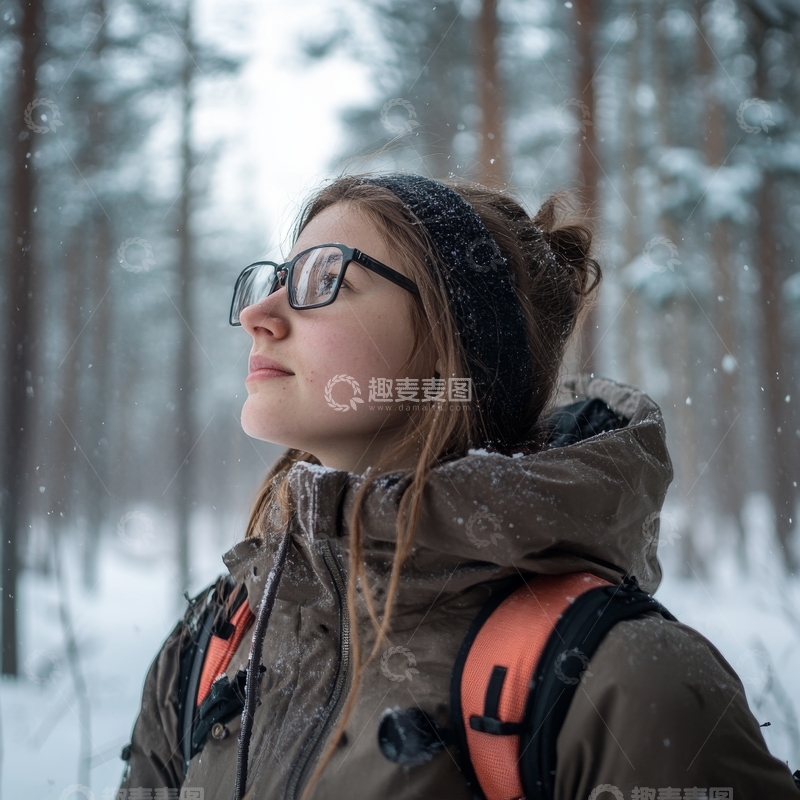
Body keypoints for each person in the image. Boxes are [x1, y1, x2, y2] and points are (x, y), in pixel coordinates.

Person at [119, 173, 799, 800]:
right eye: (277, 278)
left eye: (325, 278)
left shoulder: (624, 682)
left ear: (451, 344)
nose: (258, 315)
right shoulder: (213, 643)